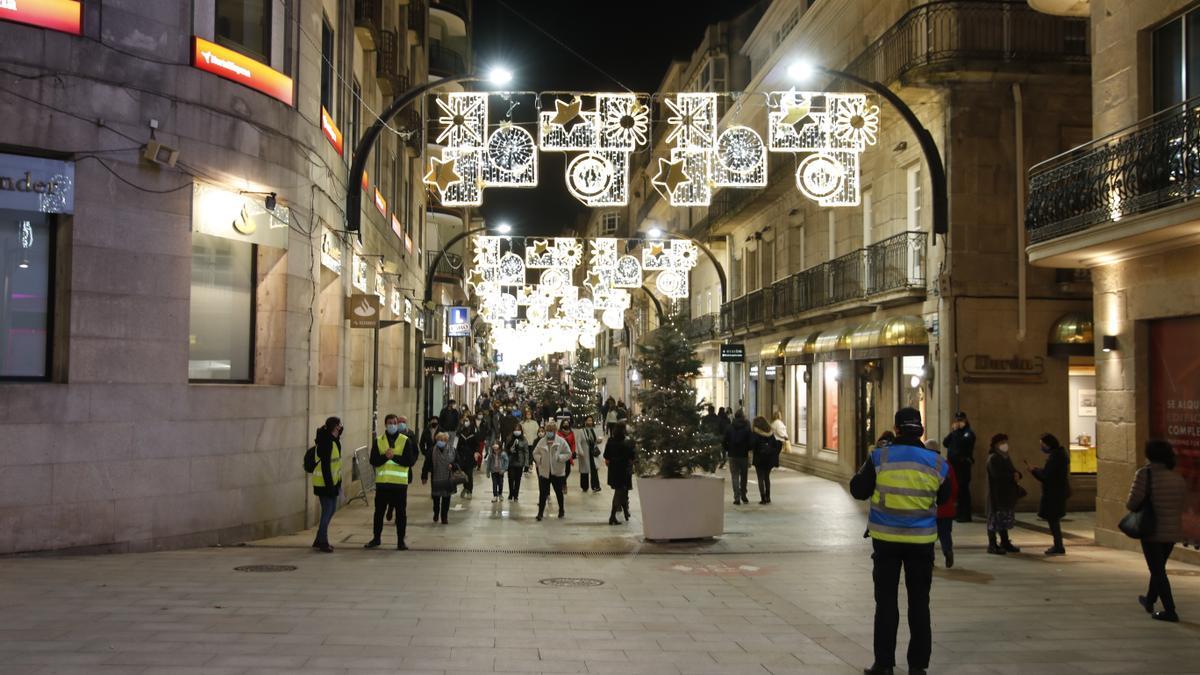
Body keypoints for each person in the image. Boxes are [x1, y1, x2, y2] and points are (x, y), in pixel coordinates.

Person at [850, 408, 950, 675]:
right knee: (919, 604)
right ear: (921, 430)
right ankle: (917, 666)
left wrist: (868, 462)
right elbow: (946, 496)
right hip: (921, 543)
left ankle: (884, 664)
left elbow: (857, 489)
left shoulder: (880, 457)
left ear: (896, 429)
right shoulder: (937, 462)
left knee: (886, 603)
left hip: (886, 543)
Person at [1127, 440, 1187, 623]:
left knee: (1157, 570)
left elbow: (1132, 503)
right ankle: (1150, 600)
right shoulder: (1176, 477)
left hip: (1152, 530)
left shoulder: (1145, 474)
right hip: (1172, 531)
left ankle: (1170, 610)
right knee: (1158, 568)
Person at [365, 414, 418, 551]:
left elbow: (410, 461)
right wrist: (385, 457)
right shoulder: (378, 441)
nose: (393, 425)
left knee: (401, 514)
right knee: (379, 513)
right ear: (385, 424)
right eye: (390, 423)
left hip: (399, 485)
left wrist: (393, 457)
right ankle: (376, 538)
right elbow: (373, 460)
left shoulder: (405, 440)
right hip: (383, 484)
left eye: (395, 422)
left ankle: (401, 541)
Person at [1028, 432, 1069, 556]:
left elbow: (1047, 477)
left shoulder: (1055, 457)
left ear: (1048, 444)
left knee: (1053, 520)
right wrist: (1038, 470)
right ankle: (1058, 544)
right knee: (1053, 519)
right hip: (1058, 491)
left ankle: (1058, 545)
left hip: (1053, 493)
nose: (1041, 447)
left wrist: (1034, 471)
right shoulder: (1060, 455)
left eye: (1042, 444)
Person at [985, 433, 1022, 555]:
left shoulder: (1005, 457)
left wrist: (1017, 474)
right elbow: (997, 476)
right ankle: (992, 544)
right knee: (994, 520)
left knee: (1003, 520)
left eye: (1005, 442)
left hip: (1006, 494)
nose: (1005, 445)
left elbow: (1012, 470)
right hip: (997, 494)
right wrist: (1012, 476)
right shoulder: (993, 458)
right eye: (1002, 442)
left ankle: (1005, 542)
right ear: (996, 444)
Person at [311, 416, 343, 553]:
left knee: (331, 510)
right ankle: (323, 541)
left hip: (332, 483)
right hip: (324, 484)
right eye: (340, 425)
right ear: (336, 426)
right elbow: (325, 466)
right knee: (327, 511)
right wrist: (330, 487)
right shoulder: (327, 442)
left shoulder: (334, 441)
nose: (341, 427)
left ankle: (319, 538)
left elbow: (335, 465)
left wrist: (338, 484)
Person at [532, 421, 572, 521]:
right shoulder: (542, 441)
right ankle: (540, 513)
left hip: (557, 472)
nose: (550, 432)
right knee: (543, 493)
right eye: (548, 430)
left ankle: (561, 510)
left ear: (555, 431)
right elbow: (535, 453)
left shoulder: (561, 441)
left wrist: (560, 458)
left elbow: (568, 453)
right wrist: (540, 459)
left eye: (552, 430)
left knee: (559, 492)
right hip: (544, 472)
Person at [943, 411, 977, 522]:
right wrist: (953, 432)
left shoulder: (968, 433)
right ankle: (958, 513)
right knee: (956, 490)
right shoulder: (955, 433)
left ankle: (965, 514)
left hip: (963, 466)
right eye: (957, 420)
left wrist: (957, 432)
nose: (958, 422)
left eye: (961, 420)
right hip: (954, 466)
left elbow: (964, 444)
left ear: (965, 420)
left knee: (963, 490)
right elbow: (945, 443)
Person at [928, 440, 957, 567]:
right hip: (946, 507)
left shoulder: (925, 465)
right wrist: (951, 500)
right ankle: (948, 550)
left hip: (929, 507)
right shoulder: (947, 465)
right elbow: (954, 486)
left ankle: (930, 559)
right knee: (945, 533)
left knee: (929, 536)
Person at [421, 431, 456, 524]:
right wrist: (424, 476)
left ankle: (444, 516)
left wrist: (453, 465)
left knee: (446, 499)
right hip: (436, 477)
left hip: (448, 477)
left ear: (446, 440)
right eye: (439, 440)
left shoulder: (452, 450)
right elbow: (426, 463)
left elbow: (458, 462)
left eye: (443, 440)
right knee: (436, 498)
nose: (441, 441)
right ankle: (436, 513)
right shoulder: (432, 450)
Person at [604, 421, 635, 524]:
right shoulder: (627, 442)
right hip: (624, 470)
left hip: (613, 469)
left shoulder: (610, 440)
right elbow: (632, 456)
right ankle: (612, 516)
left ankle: (625, 512)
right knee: (620, 492)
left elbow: (606, 455)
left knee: (621, 491)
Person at [723, 410, 753, 505]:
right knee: (744, 476)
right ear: (743, 416)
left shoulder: (729, 427)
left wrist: (728, 449)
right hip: (743, 455)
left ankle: (737, 497)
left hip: (732, 455)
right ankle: (743, 495)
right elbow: (751, 442)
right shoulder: (747, 428)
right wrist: (748, 449)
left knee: (734, 476)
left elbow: (724, 441)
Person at [751, 415, 782, 505]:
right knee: (767, 477)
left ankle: (763, 498)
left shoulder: (755, 433)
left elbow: (753, 445)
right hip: (769, 459)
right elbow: (775, 445)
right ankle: (768, 496)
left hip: (759, 459)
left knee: (760, 478)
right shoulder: (770, 433)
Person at [455, 413, 479, 498]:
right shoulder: (461, 432)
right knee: (463, 474)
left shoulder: (474, 433)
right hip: (461, 457)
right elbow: (457, 445)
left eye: (467, 421)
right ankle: (465, 488)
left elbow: (476, 445)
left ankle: (469, 491)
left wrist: (476, 452)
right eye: (464, 421)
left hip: (470, 457)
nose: (465, 422)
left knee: (469, 474)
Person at [576, 415, 602, 492]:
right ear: (585, 421)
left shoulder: (594, 430)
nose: (590, 422)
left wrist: (599, 441)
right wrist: (580, 452)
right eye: (588, 420)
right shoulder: (581, 431)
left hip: (592, 453)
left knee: (594, 469)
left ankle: (595, 486)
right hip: (584, 453)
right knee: (584, 471)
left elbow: (595, 440)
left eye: (591, 420)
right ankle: (584, 486)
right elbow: (578, 442)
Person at [506, 427, 530, 501]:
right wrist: (509, 450)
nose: (517, 431)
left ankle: (516, 495)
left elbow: (526, 452)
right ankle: (511, 493)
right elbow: (505, 449)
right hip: (511, 461)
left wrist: (526, 464)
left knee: (517, 479)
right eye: (515, 430)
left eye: (518, 430)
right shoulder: (509, 438)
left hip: (520, 462)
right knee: (511, 478)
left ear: (521, 431)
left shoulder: (524, 440)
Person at [558, 418, 577, 488]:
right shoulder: (559, 433)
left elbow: (573, 443)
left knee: (568, 471)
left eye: (567, 423)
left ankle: (563, 481)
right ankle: (564, 484)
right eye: (564, 423)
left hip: (569, 454)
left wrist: (573, 451)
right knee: (563, 470)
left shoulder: (571, 433)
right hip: (562, 454)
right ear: (561, 424)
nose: (565, 424)